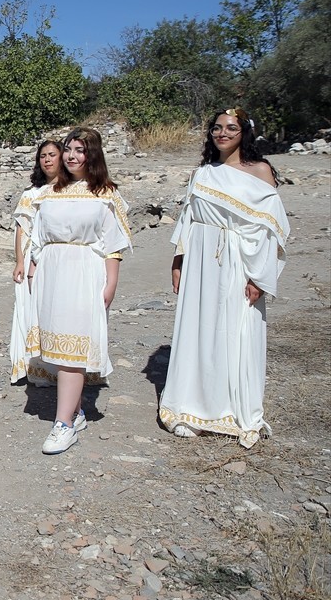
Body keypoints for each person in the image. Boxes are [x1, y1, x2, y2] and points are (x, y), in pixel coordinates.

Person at [158, 108, 288, 447]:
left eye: (231, 128)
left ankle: (228, 409)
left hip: (237, 262)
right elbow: (188, 219)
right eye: (216, 128)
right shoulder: (203, 173)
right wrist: (178, 260)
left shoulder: (260, 171)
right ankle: (192, 407)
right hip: (200, 260)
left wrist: (259, 277)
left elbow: (267, 230)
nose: (222, 133)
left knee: (232, 331)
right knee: (197, 331)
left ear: (244, 132)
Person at [26, 126, 131, 455]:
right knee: (57, 349)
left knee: (73, 352)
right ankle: (76, 410)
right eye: (68, 150)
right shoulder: (49, 191)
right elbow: (38, 237)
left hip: (84, 271)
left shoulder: (105, 193)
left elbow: (113, 243)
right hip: (52, 272)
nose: (71, 156)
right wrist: (33, 269)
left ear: (93, 155)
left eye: (79, 151)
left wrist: (111, 281)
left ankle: (64, 424)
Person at [9, 140, 63, 385]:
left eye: (52, 154)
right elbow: (22, 229)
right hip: (33, 255)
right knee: (32, 310)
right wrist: (20, 261)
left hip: (60, 256)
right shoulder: (31, 194)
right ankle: (36, 366)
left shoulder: (72, 190)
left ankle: (62, 365)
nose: (47, 159)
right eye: (43, 156)